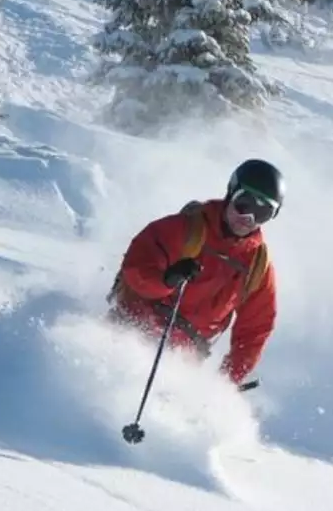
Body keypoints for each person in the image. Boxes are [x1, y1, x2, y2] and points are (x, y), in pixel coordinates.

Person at [106, 158, 284, 386]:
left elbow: (255, 329)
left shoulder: (257, 266)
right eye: (244, 204)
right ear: (231, 193)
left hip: (181, 360)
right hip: (130, 329)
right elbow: (135, 268)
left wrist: (226, 381)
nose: (248, 219)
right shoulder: (184, 229)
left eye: (262, 213)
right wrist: (166, 281)